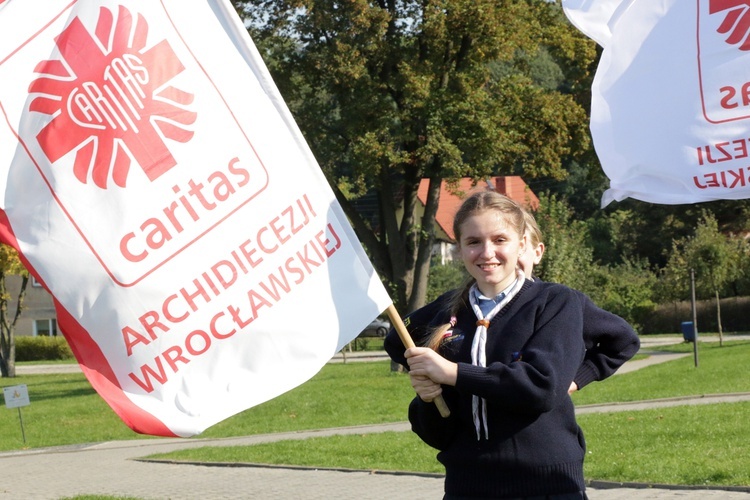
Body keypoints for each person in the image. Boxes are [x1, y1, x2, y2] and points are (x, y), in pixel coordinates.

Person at [385, 191, 590, 499]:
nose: (486, 252)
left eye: (499, 240)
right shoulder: (450, 313)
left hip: (547, 487)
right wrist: (427, 399)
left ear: (522, 244)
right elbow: (439, 436)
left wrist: (453, 373)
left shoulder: (555, 302)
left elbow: (541, 388)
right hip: (467, 486)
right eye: (473, 242)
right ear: (459, 249)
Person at [518, 211, 640, 394]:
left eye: (520, 249)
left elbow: (624, 341)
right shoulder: (463, 304)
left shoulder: (561, 301)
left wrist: (574, 380)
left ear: (537, 253)